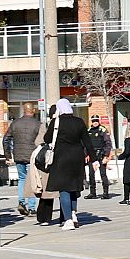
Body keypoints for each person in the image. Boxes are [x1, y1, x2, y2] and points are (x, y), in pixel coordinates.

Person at [44, 98, 95, 229]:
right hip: (77, 158)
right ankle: (73, 215)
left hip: (61, 158)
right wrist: (94, 159)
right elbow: (87, 142)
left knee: (64, 189)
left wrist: (53, 121)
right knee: (73, 188)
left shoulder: (56, 122)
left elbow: (47, 138)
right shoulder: (79, 122)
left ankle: (68, 220)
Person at [7, 103, 41, 215]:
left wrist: (8, 155)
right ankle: (31, 207)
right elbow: (42, 141)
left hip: (19, 155)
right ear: (33, 111)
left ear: (23, 110)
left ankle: (21, 202)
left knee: (22, 179)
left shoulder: (15, 123)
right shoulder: (37, 124)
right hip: (32, 155)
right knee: (32, 180)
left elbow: (6, 139)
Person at [86, 115, 114, 199]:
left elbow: (108, 143)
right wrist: (86, 154)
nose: (95, 123)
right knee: (91, 174)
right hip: (92, 155)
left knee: (103, 174)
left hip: (101, 154)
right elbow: (86, 144)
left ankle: (105, 193)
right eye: (93, 121)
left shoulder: (103, 130)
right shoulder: (89, 131)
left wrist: (106, 155)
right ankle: (92, 193)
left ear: (98, 121)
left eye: (96, 121)